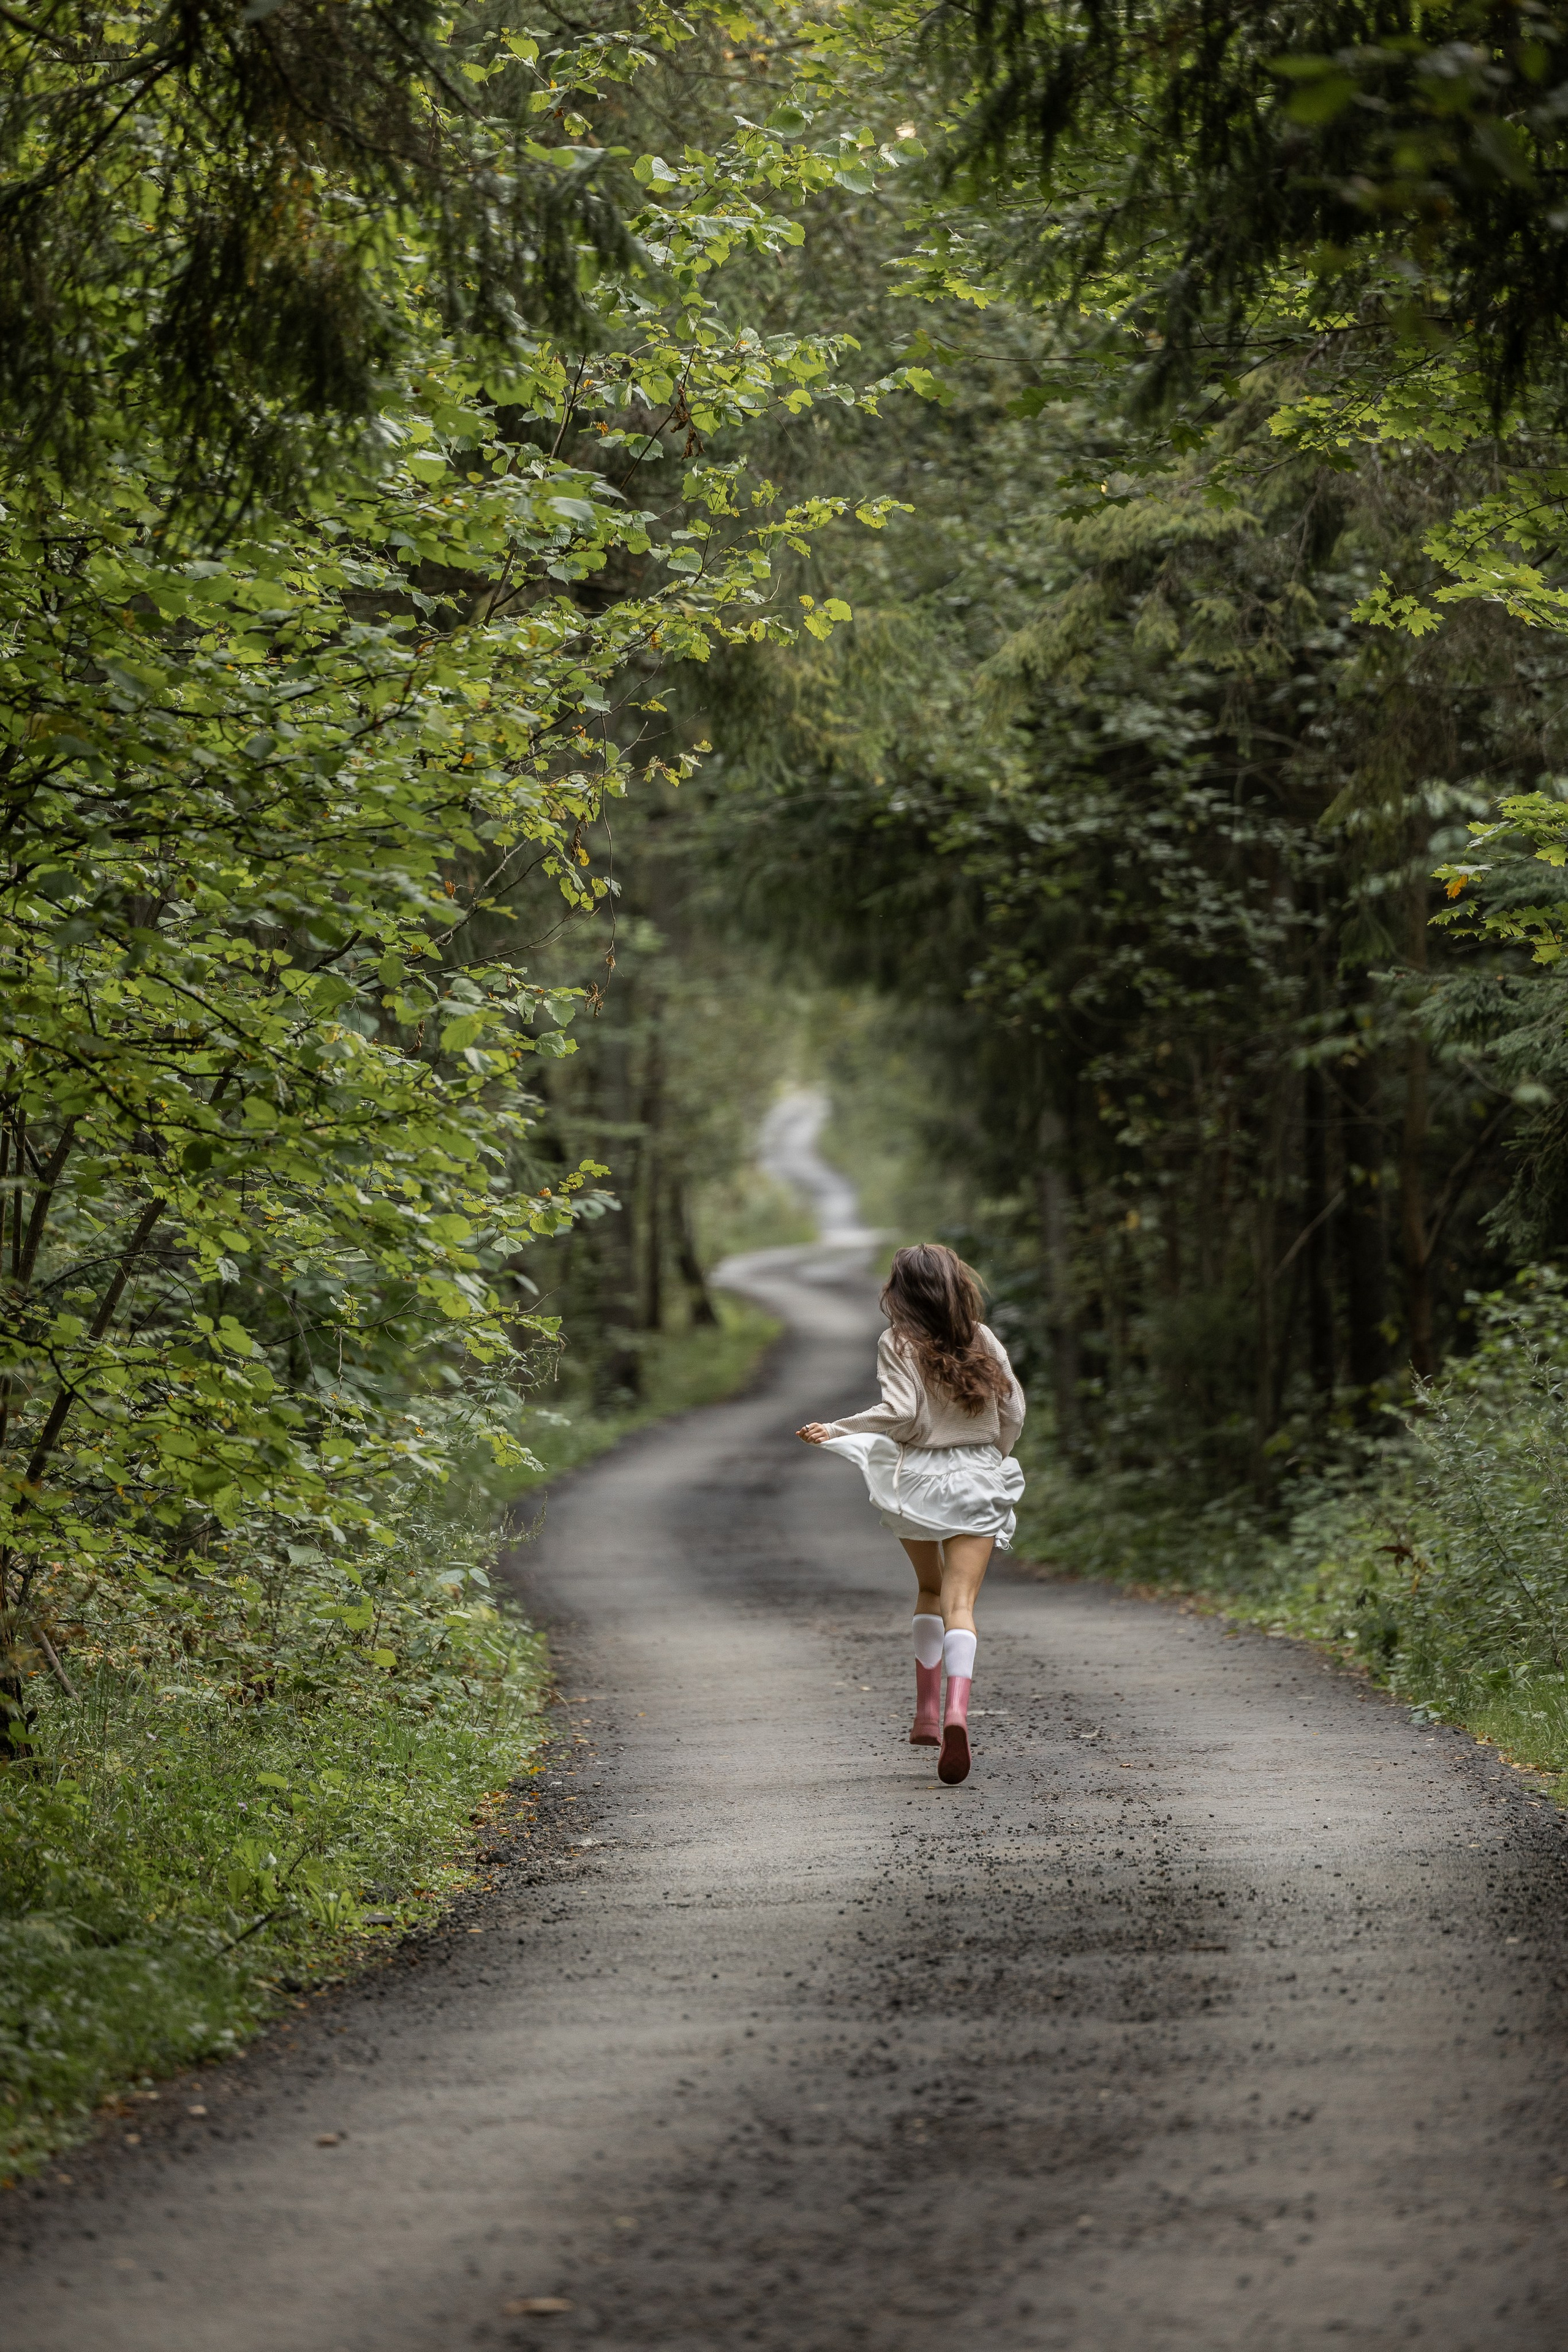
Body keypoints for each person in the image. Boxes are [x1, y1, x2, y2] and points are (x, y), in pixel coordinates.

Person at [797, 1243, 1025, 1786]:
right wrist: (996, 1456)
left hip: (918, 1481)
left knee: (929, 1589)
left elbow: (901, 1413)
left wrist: (841, 1428)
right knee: (961, 1602)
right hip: (977, 1478)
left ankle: (925, 1713)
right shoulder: (981, 1336)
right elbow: (1013, 1409)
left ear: (900, 1290)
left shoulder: (897, 1340)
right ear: (955, 1284)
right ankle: (956, 1713)